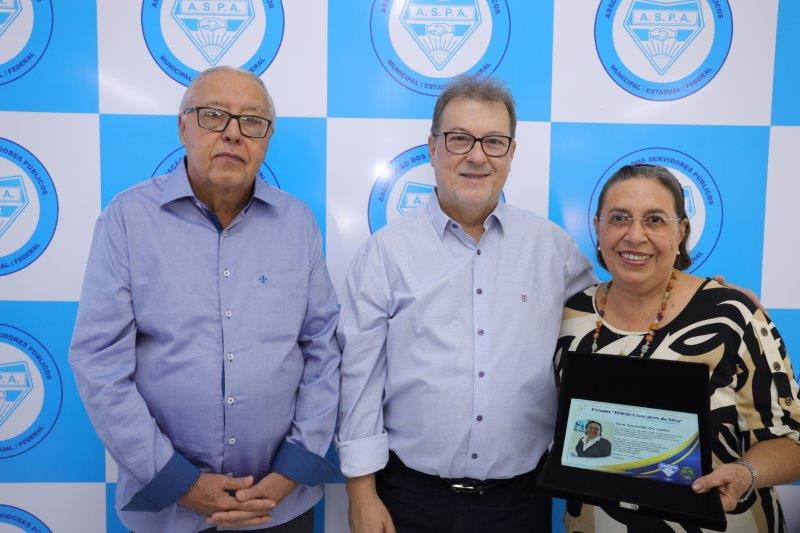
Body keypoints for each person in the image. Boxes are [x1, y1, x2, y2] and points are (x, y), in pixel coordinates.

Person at [69, 66, 341, 533]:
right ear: (183, 127)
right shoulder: (128, 220)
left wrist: (292, 470)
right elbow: (99, 362)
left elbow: (323, 349)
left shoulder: (297, 224)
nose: (233, 133)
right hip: (169, 507)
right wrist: (179, 482)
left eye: (252, 121)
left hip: (279, 504)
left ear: (266, 139)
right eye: (214, 115)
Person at [336, 75, 597, 532]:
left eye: (493, 141)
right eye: (459, 139)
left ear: (511, 154)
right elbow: (360, 379)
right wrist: (361, 494)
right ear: (433, 147)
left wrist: (694, 294)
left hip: (520, 504)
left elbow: (613, 324)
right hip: (408, 500)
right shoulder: (385, 254)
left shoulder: (554, 250)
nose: (477, 156)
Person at [555, 163, 800, 532]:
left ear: (682, 230)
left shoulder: (731, 315)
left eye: (654, 220)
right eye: (619, 218)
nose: (634, 236)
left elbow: (792, 441)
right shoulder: (571, 313)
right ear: (598, 226)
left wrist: (745, 473)